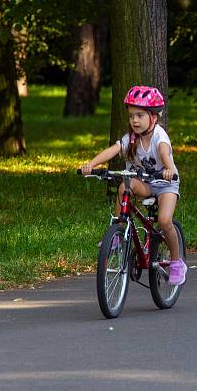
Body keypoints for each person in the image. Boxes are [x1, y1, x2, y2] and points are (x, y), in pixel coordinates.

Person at [78, 85, 186, 285]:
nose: (134, 120)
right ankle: (118, 233)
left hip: (165, 184)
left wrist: (170, 170)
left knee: (163, 221)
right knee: (124, 186)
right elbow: (113, 150)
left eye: (140, 115)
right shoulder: (131, 139)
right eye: (131, 116)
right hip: (144, 183)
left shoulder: (159, 137)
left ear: (153, 117)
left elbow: (164, 154)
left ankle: (176, 261)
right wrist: (91, 165)